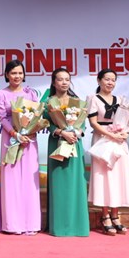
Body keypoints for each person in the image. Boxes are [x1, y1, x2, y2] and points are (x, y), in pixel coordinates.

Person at [0, 59, 42, 235]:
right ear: (7, 74)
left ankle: (30, 223)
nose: (17, 76)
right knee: (11, 180)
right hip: (10, 139)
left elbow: (37, 114)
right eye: (13, 73)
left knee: (29, 181)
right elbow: (2, 118)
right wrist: (15, 134)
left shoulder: (31, 94)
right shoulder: (1, 94)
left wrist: (30, 131)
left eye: (20, 73)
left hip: (29, 140)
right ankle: (12, 224)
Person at [87, 68, 129, 236]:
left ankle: (116, 215)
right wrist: (111, 135)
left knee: (118, 177)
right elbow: (93, 123)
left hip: (119, 141)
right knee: (104, 177)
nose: (110, 82)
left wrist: (126, 132)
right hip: (102, 140)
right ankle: (105, 216)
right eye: (107, 79)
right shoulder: (93, 99)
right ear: (99, 80)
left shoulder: (121, 100)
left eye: (113, 80)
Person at [42, 67, 90, 237]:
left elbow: (83, 125)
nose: (64, 82)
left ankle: (78, 226)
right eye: (60, 79)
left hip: (74, 144)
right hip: (57, 144)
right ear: (54, 82)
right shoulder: (48, 103)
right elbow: (46, 124)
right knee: (59, 185)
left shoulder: (77, 102)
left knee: (76, 184)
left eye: (67, 79)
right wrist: (62, 132)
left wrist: (75, 133)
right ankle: (59, 226)